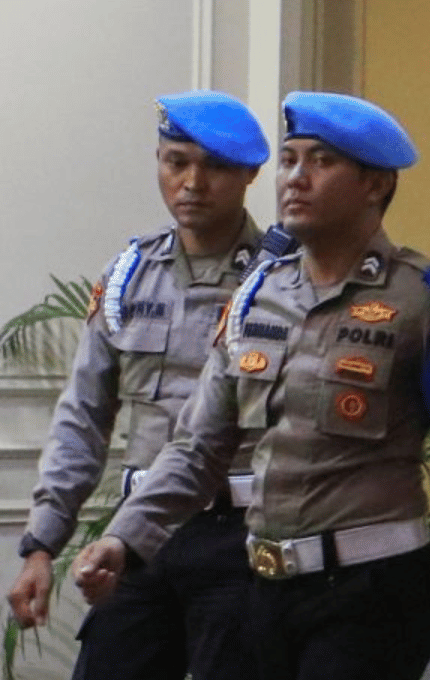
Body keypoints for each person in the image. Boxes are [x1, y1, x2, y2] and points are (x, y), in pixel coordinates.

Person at [69, 91, 430, 680]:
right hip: (265, 589)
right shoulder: (257, 296)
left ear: (375, 185)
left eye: (321, 161)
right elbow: (197, 448)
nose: (296, 178)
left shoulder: (425, 298)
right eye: (289, 160)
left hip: (372, 593)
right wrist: (124, 539)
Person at [6, 90, 268, 680]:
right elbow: (82, 415)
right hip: (141, 536)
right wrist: (42, 544)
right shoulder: (130, 274)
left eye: (215, 166)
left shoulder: (281, 281)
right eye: (176, 162)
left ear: (250, 174)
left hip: (240, 538)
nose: (192, 183)